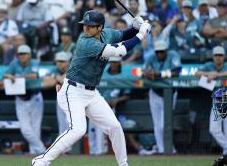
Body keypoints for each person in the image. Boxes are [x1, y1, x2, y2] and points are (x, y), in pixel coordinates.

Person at [32, 10, 151, 166]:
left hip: (91, 93)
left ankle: (123, 164)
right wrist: (141, 35)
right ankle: (41, 161)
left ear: (100, 27)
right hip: (72, 91)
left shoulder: (107, 34)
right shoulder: (85, 42)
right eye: (85, 25)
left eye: (90, 26)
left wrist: (135, 28)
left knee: (115, 127)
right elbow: (119, 51)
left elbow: (123, 35)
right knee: (78, 130)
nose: (86, 28)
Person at [3, 45, 46, 155]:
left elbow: (34, 76)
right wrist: (9, 76)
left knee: (35, 128)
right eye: (20, 54)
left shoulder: (34, 62)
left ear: (29, 55)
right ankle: (42, 150)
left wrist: (18, 77)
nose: (22, 56)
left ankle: (34, 153)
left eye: (24, 54)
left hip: (34, 97)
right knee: (25, 129)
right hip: (20, 98)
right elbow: (5, 74)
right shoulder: (14, 63)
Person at [142, 40, 181, 155]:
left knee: (165, 124)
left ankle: (170, 149)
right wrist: (147, 73)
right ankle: (162, 149)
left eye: (161, 52)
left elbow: (177, 71)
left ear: (166, 51)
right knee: (157, 125)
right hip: (154, 93)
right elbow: (141, 71)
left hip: (170, 93)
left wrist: (159, 74)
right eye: (157, 52)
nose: (159, 54)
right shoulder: (151, 57)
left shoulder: (173, 55)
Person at [194, 46, 227, 157]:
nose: (218, 58)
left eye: (220, 55)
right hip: (217, 101)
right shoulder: (209, 66)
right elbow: (196, 73)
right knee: (214, 129)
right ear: (213, 56)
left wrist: (217, 75)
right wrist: (208, 74)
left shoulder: (225, 66)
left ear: (224, 57)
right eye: (216, 55)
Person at [42, 51, 71, 152]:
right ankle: (64, 150)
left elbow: (64, 81)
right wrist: (57, 79)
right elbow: (45, 83)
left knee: (71, 126)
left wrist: (54, 78)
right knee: (62, 126)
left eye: (63, 61)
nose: (60, 63)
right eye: (58, 61)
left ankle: (71, 150)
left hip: (73, 101)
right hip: (61, 101)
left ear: (67, 62)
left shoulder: (72, 69)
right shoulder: (53, 70)